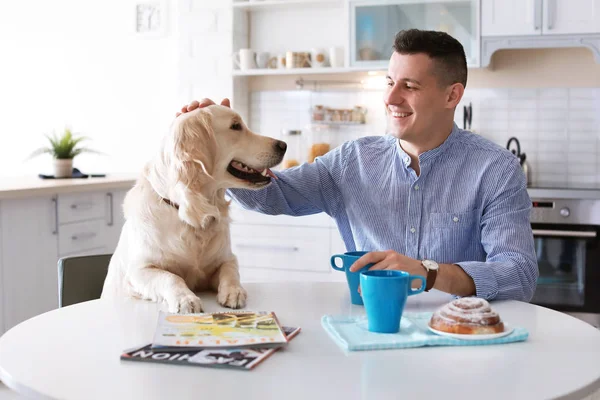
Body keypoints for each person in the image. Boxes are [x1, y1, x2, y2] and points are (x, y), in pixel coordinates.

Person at [177, 29, 538, 302]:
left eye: (409, 86)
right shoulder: (353, 161)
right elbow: (275, 197)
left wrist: (427, 273)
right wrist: (220, 152)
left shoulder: (496, 170)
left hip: (462, 340)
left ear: (452, 95)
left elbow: (518, 274)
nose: (391, 98)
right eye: (389, 82)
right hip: (371, 335)